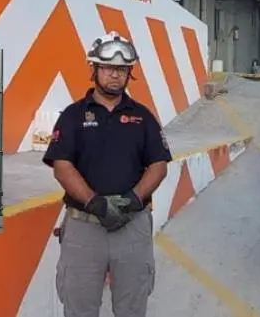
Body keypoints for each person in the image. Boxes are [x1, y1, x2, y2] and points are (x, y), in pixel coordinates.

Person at [42, 31, 172, 317]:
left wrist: (133, 200)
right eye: (108, 68)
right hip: (84, 229)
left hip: (132, 226)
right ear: (95, 70)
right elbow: (62, 166)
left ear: (129, 74)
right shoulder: (73, 116)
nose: (115, 75)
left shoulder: (143, 116)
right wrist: (95, 202)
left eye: (122, 70)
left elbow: (159, 165)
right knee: (79, 309)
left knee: (132, 308)